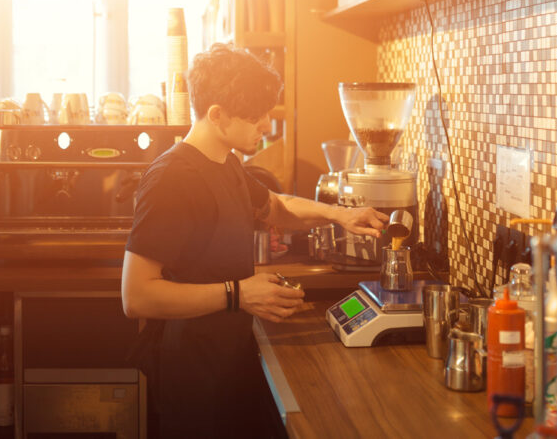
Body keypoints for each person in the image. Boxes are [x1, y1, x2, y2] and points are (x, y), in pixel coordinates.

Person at [121, 43, 387, 438]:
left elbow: (274, 207)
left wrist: (340, 214)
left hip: (226, 355)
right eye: (255, 116)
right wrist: (238, 294)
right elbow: (136, 296)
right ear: (217, 115)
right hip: (193, 367)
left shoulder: (225, 162)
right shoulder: (172, 178)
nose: (266, 126)